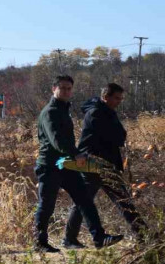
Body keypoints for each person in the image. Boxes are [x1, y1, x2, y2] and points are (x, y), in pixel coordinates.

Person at [34, 75, 123, 253]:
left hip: (65, 165)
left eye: (69, 88)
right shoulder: (51, 112)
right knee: (47, 204)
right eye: (62, 88)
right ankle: (39, 242)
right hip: (50, 165)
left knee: (84, 199)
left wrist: (73, 156)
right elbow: (57, 140)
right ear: (54, 89)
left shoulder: (63, 110)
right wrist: (77, 153)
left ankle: (99, 237)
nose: (66, 91)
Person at [62, 83, 146, 248]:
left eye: (121, 98)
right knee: (122, 200)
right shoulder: (97, 113)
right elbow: (118, 137)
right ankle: (144, 234)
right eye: (116, 98)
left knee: (86, 201)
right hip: (96, 164)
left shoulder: (105, 111)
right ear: (106, 96)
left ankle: (69, 239)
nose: (119, 101)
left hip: (101, 163)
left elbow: (119, 135)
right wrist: (118, 135)